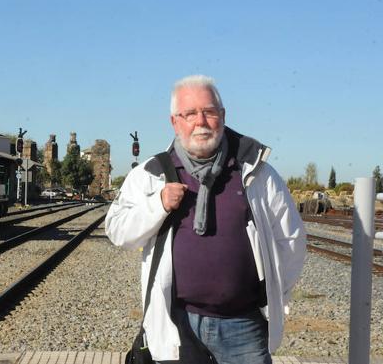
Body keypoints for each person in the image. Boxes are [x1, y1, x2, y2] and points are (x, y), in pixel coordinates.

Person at [106, 75, 306, 364]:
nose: (200, 121)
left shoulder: (256, 172)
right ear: (175, 122)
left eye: (209, 111)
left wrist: (271, 296)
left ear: (222, 116)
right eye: (189, 114)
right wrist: (158, 204)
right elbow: (117, 230)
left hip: (243, 325)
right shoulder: (152, 173)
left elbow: (291, 241)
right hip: (176, 323)